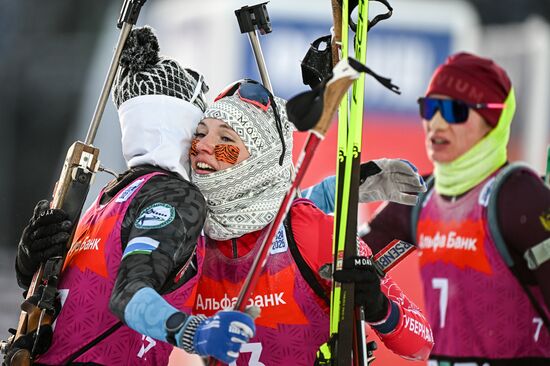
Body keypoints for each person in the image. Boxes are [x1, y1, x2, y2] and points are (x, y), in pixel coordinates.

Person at [10, 27, 254, 366]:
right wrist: (32, 260)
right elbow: (123, 294)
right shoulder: (171, 195)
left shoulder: (110, 197)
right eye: (198, 127)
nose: (204, 144)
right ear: (181, 124)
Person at [312, 52, 550, 365]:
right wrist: (372, 301)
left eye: (453, 111)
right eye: (430, 108)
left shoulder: (518, 197)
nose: (436, 123)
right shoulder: (422, 198)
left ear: (493, 118)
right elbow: (339, 266)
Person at [186, 79, 434, 365]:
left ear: (259, 158)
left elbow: (421, 343)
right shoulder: (188, 233)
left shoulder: (308, 228)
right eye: (199, 133)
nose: (202, 146)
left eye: (226, 139)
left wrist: (379, 308)